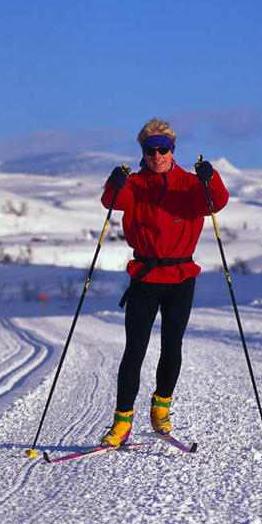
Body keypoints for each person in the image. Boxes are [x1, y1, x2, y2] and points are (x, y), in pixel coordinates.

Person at [100, 118, 229, 446]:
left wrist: (210, 179)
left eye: (163, 149)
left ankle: (161, 411)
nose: (157, 155)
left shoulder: (190, 183)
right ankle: (122, 423)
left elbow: (216, 202)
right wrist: (113, 183)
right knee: (135, 350)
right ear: (142, 151)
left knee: (172, 346)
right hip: (144, 276)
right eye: (150, 149)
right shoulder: (136, 184)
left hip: (181, 276)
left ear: (173, 150)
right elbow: (112, 203)